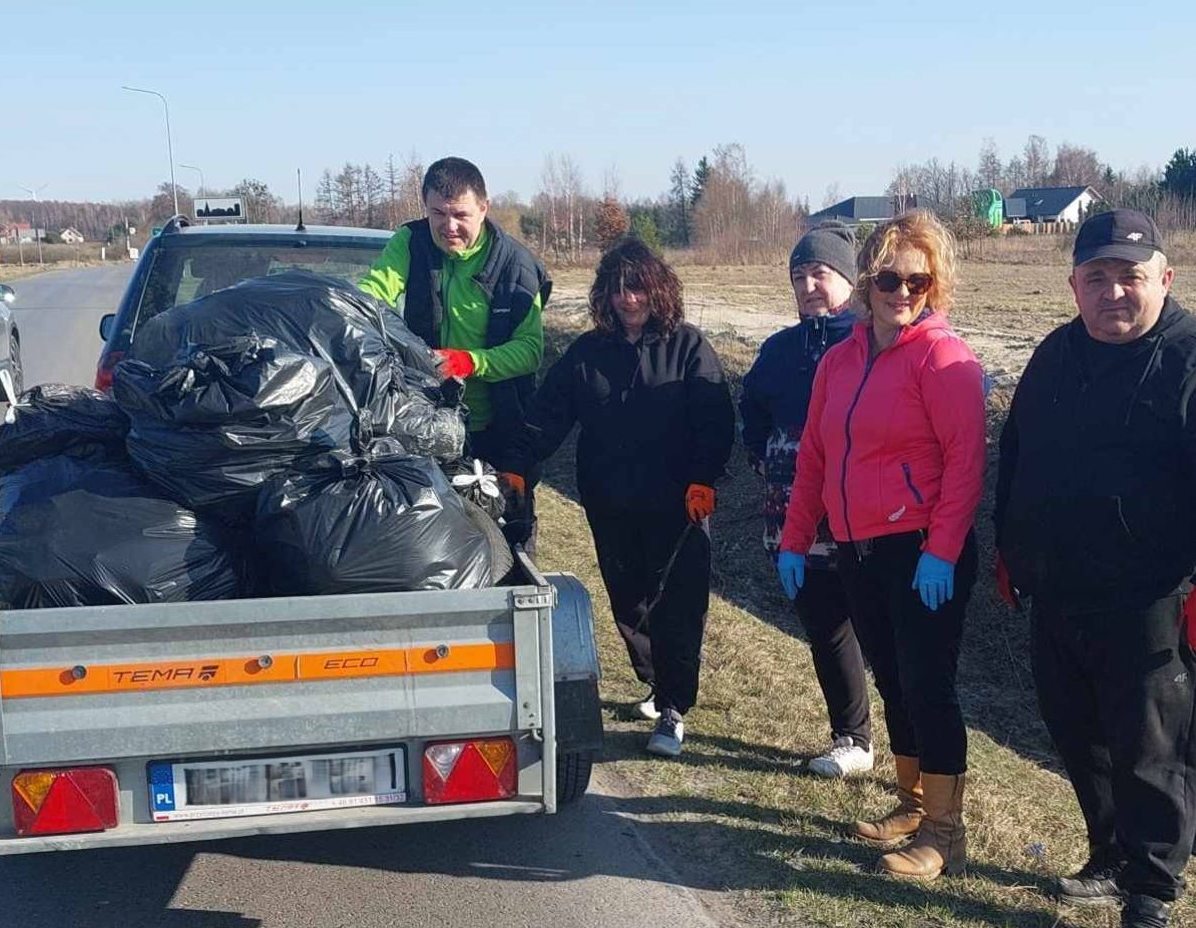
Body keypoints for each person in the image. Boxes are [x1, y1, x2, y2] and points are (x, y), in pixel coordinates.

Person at [994, 208, 1196, 928]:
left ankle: (1148, 903)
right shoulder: (1057, 355)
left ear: (1164, 279)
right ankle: (1111, 854)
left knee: (1156, 756)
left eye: (1131, 276)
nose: (1114, 291)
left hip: (1157, 601)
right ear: (1075, 283)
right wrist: (1011, 548)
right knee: (1077, 732)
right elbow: (1016, 455)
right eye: (1097, 277)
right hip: (1061, 593)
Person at [779, 212, 986, 881]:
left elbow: (965, 462)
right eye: (891, 278)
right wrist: (795, 538)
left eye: (918, 281)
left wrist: (943, 550)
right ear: (867, 283)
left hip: (922, 549)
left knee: (930, 687)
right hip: (856, 547)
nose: (904, 292)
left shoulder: (942, 356)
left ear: (934, 285)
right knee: (894, 682)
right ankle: (914, 803)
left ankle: (945, 834)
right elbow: (815, 455)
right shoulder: (839, 360)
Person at [511, 238, 735, 758]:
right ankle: (657, 683)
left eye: (637, 288)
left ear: (658, 290)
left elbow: (714, 421)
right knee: (629, 602)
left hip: (680, 506)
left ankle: (675, 709)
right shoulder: (588, 353)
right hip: (611, 502)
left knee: (679, 604)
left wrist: (704, 478)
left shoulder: (690, 347)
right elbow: (548, 416)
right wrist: (518, 467)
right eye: (616, 290)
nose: (628, 300)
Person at [358, 156, 551, 550]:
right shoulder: (410, 244)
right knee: (429, 537)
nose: (449, 226)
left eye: (460, 214)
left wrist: (471, 362)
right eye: (438, 214)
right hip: (425, 424)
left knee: (505, 535)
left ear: (484, 207)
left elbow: (530, 351)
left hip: (500, 429)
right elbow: (373, 294)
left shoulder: (516, 266)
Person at [740, 222, 872, 778]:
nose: (809, 285)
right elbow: (752, 414)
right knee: (824, 625)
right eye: (799, 276)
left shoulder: (869, 342)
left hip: (863, 510)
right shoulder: (778, 351)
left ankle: (918, 760)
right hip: (793, 513)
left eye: (820, 273)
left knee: (878, 627)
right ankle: (854, 738)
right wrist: (772, 461)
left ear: (848, 278)